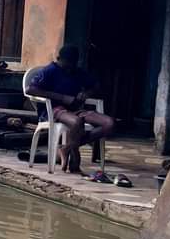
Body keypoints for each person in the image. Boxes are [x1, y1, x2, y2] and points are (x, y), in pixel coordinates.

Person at [26, 45, 115, 173]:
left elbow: (96, 86)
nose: (69, 67)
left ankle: (67, 148)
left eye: (72, 64)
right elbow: (30, 89)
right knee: (77, 122)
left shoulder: (78, 72)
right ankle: (74, 160)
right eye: (66, 64)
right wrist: (62, 97)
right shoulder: (50, 71)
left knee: (109, 124)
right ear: (58, 59)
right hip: (55, 110)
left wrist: (87, 94)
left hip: (76, 109)